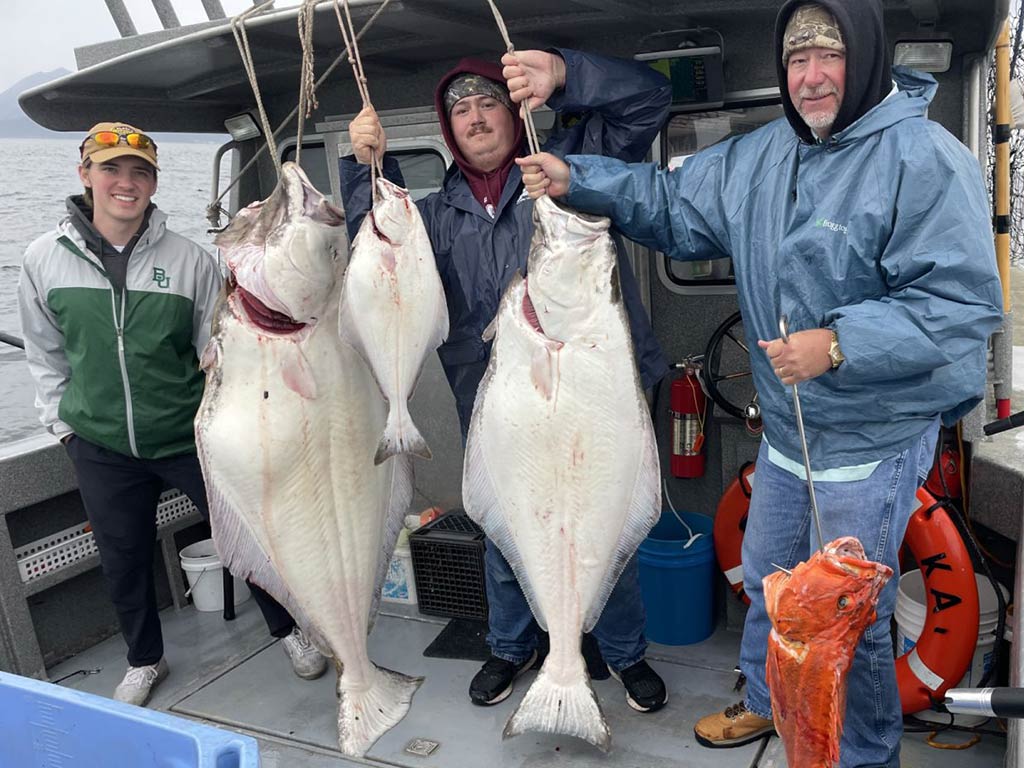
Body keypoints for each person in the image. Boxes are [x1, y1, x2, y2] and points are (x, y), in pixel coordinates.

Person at [515, 2, 1004, 765]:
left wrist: (839, 345)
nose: (809, 77)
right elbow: (673, 205)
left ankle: (867, 752)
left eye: (827, 57)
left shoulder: (927, 157)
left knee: (848, 619)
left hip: (870, 442)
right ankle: (767, 701)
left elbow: (963, 307)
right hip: (786, 436)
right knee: (772, 583)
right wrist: (578, 179)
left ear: (865, 58)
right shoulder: (763, 154)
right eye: (795, 60)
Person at [342, 50, 672, 713]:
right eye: (459, 111)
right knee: (506, 525)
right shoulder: (433, 218)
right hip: (496, 398)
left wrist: (565, 76)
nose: (474, 118)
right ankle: (510, 644)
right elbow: (375, 246)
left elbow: (647, 102)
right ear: (449, 131)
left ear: (515, 113)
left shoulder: (570, 166)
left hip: (594, 388)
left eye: (487, 102)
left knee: (602, 520)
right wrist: (367, 167)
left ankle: (624, 651)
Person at [17, 122, 328, 707]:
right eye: (111, 169)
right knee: (123, 557)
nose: (125, 184)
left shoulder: (189, 261)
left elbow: (218, 354)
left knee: (250, 534)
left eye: (140, 173)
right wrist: (63, 429)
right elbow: (44, 352)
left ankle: (289, 630)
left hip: (189, 434)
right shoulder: (41, 259)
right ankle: (143, 659)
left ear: (155, 185)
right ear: (85, 175)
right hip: (99, 443)